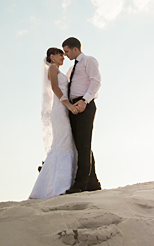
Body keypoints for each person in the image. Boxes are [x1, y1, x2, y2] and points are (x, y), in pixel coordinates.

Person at [29, 48, 80, 199]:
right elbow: (55, 88)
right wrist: (69, 105)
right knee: (62, 144)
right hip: (60, 109)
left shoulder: (58, 70)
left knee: (65, 144)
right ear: (52, 56)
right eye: (60, 55)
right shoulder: (52, 68)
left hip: (64, 109)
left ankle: (64, 183)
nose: (63, 58)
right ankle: (58, 186)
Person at [62, 37, 102, 194]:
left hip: (84, 104)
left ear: (75, 49)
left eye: (67, 51)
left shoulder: (88, 61)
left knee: (84, 145)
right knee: (80, 145)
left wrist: (85, 100)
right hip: (74, 107)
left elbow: (96, 81)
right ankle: (93, 182)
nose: (65, 55)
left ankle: (80, 184)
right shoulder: (72, 69)